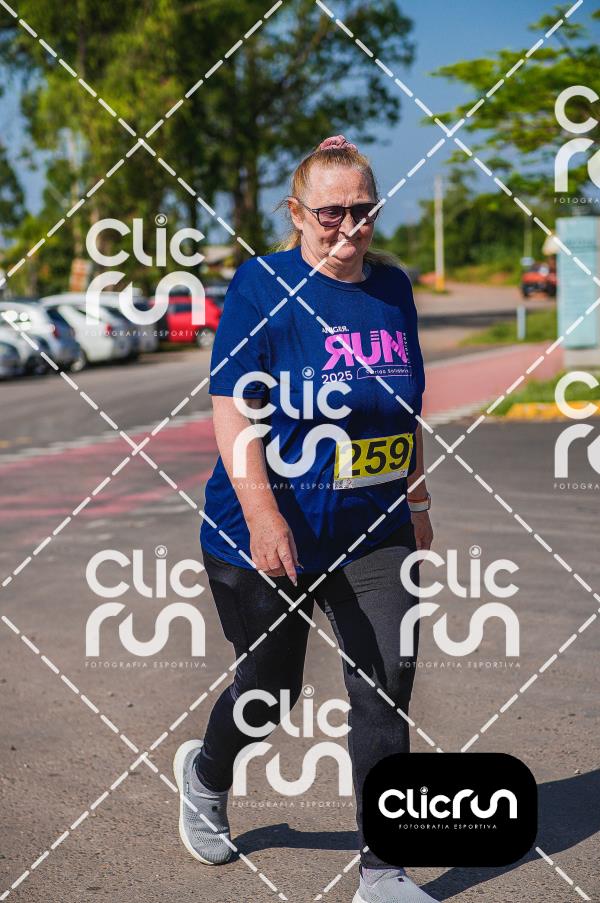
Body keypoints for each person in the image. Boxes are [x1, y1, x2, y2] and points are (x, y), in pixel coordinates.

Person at [173, 135, 437, 903]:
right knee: (270, 690)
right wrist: (263, 512)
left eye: (364, 209)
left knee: (386, 686)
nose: (350, 226)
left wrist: (418, 500)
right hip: (263, 529)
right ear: (296, 213)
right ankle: (206, 773)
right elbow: (233, 407)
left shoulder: (392, 287)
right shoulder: (262, 285)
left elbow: (403, 406)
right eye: (331, 212)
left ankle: (383, 872)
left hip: (374, 527)